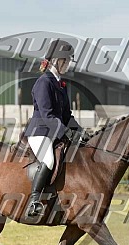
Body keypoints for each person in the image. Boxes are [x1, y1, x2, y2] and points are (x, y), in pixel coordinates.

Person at [23, 39, 89, 217]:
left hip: (55, 131)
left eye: (68, 61)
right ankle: (34, 201)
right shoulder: (44, 82)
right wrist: (65, 132)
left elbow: (66, 116)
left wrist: (80, 132)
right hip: (40, 131)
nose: (68, 64)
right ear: (57, 61)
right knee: (49, 160)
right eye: (66, 61)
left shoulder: (60, 84)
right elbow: (47, 114)